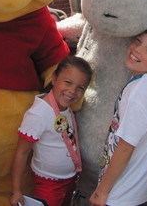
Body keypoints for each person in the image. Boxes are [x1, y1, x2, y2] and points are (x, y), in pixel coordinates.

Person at [90, 20, 147, 206]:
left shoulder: (139, 93)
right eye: (139, 40)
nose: (137, 49)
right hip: (144, 188)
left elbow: (126, 147)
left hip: (121, 192)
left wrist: (102, 192)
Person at [10, 56, 93, 206]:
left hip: (70, 180)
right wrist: (16, 191)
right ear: (54, 78)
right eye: (68, 82)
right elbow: (21, 153)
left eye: (80, 88)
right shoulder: (38, 114)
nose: (72, 91)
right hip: (48, 184)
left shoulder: (67, 108)